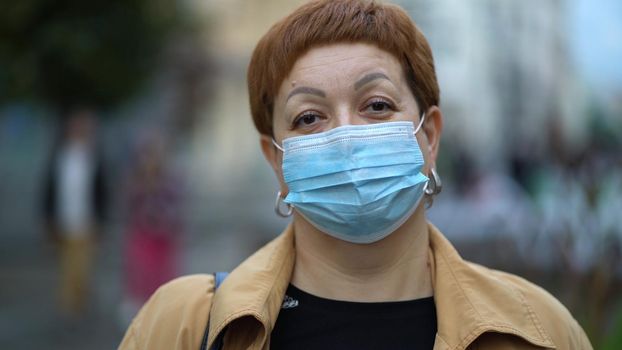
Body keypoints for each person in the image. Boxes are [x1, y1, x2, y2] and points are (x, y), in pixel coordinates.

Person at [119, 1, 592, 349]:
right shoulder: (182, 326)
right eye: (309, 117)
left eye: (377, 106)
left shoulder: (538, 330)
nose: (345, 135)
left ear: (429, 138)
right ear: (277, 160)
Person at [43, 108, 107, 316]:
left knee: (82, 267)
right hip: (64, 220)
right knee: (66, 268)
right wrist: (48, 218)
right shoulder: (60, 155)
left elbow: (101, 192)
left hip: (86, 222)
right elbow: (49, 189)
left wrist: (101, 221)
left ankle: (79, 303)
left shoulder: (94, 157)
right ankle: (69, 306)